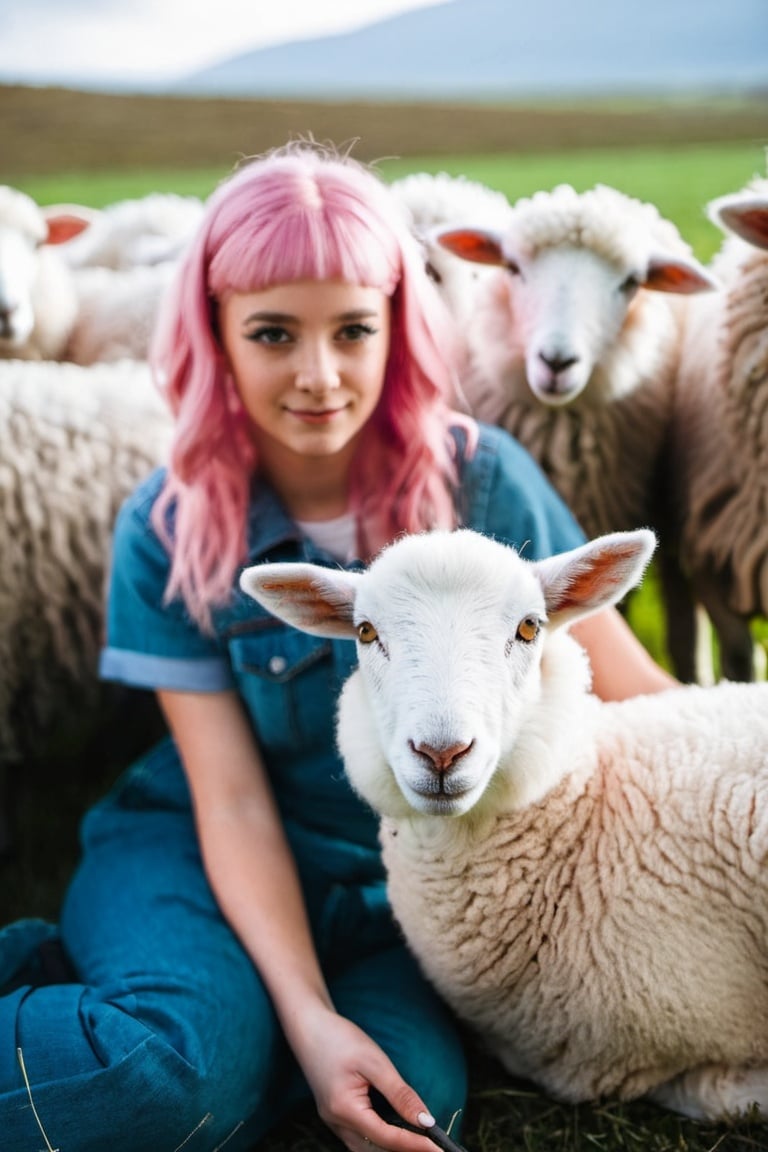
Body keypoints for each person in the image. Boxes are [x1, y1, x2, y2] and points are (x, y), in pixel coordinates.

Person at [0, 141, 675, 1152]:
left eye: (353, 330)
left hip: (412, 890)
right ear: (215, 333)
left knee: (413, 1112)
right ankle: (183, 1012)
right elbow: (228, 798)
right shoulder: (174, 526)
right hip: (208, 848)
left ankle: (181, 1020)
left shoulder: (482, 483)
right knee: (166, 1077)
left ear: (397, 328)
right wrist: (311, 1023)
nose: (319, 375)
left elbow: (640, 698)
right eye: (273, 332)